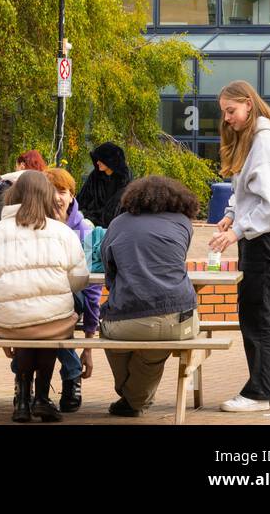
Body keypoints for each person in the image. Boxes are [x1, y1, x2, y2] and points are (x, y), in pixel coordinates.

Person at [209, 80, 270, 412]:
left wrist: (237, 230)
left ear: (248, 103)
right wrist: (233, 215)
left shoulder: (264, 142)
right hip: (261, 236)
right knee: (263, 311)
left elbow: (269, 205)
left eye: (230, 111)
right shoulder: (257, 139)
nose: (227, 118)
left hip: (264, 237)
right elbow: (248, 191)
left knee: (256, 313)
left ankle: (259, 392)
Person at [0, 172, 90, 423]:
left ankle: (21, 401)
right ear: (46, 197)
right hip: (54, 321)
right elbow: (79, 279)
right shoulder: (62, 232)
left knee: (27, 325)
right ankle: (41, 398)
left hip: (8, 321)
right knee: (50, 324)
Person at [99, 176, 200, 417]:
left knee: (110, 332)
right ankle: (134, 398)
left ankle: (131, 398)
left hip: (126, 321)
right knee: (154, 349)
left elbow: (109, 269)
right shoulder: (183, 223)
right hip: (180, 318)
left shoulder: (118, 223)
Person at [45, 166, 102, 413]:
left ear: (72, 195)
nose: (58, 197)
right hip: (41, 299)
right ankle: (71, 377)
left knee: (58, 312)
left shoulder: (84, 230)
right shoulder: (34, 227)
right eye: (51, 191)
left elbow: (91, 288)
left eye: (63, 191)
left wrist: (89, 346)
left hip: (71, 300)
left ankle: (28, 385)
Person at [76, 142, 133, 228]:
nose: (97, 162)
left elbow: (121, 208)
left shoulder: (125, 180)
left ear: (110, 161)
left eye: (101, 160)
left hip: (116, 226)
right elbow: (82, 200)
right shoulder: (95, 176)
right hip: (90, 222)